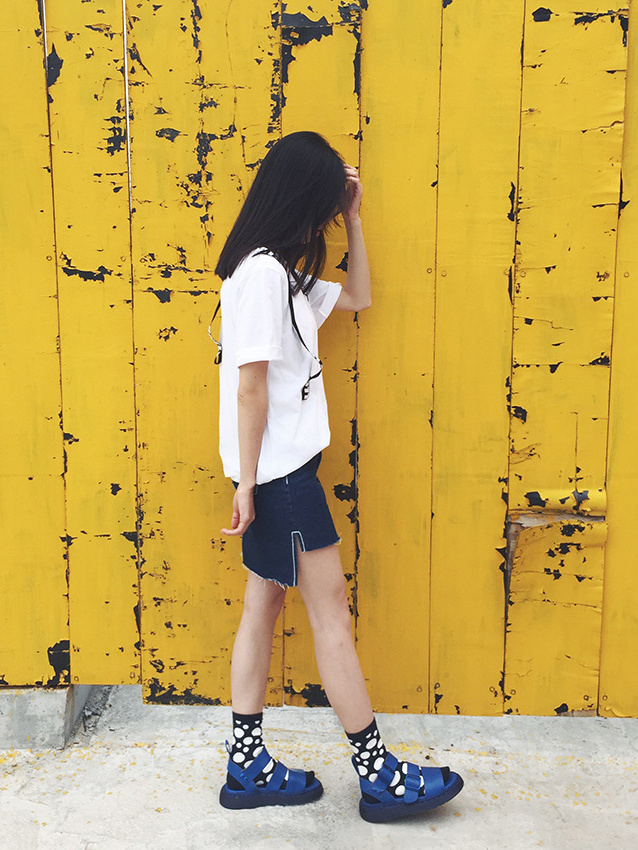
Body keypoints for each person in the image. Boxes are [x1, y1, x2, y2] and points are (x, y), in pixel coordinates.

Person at [212, 131, 463, 823]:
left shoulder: (279, 275)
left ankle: (246, 764)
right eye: (323, 209)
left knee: (262, 607)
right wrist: (248, 485)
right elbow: (251, 388)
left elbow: (358, 296)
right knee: (333, 616)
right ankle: (379, 776)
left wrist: (354, 216)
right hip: (282, 480)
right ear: (299, 200)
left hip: (275, 475)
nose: (324, 223)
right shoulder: (264, 276)